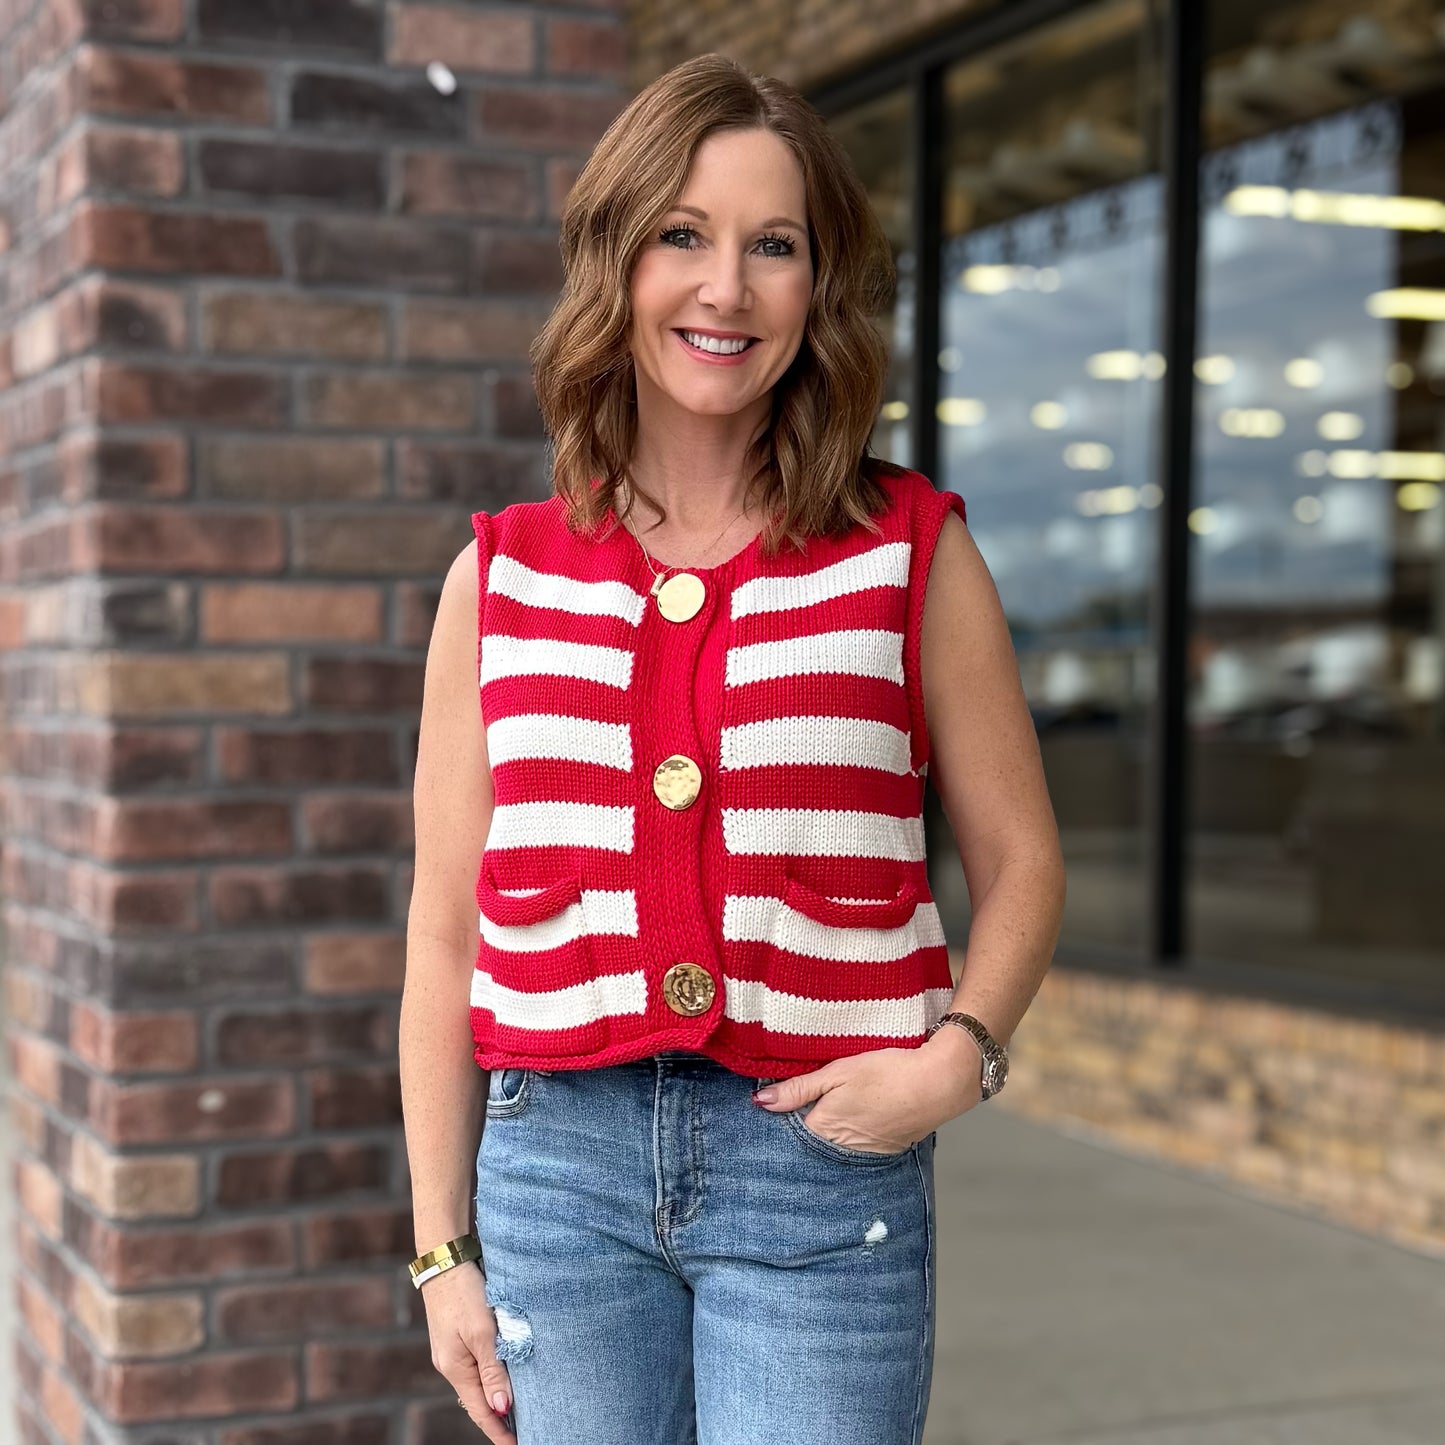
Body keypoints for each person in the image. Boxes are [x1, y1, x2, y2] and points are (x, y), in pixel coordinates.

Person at [400, 51, 1065, 1445]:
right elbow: (444, 927)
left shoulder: (906, 550)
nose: (726, 288)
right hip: (553, 1175)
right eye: (682, 237)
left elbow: (1021, 859)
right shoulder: (503, 580)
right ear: (617, 262)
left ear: (816, 288)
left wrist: (960, 1055)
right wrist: (440, 1246)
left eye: (775, 246)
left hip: (818, 1165)